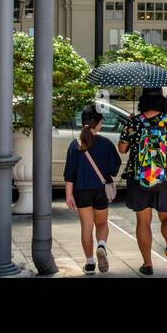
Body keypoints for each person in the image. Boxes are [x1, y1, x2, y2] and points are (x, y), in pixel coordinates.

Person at [118, 90, 167, 276]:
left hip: (139, 178)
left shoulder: (134, 122)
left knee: (143, 222)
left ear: (143, 101)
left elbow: (122, 149)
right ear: (162, 101)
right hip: (166, 178)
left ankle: (147, 264)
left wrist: (128, 126)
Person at [64, 106, 122, 275]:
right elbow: (114, 168)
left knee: (86, 227)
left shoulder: (74, 145)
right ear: (97, 124)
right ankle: (102, 245)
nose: (102, 124)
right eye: (101, 121)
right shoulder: (105, 143)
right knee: (102, 223)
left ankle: (89, 264)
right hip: (101, 190)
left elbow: (69, 174)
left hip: (81, 191)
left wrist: (69, 195)